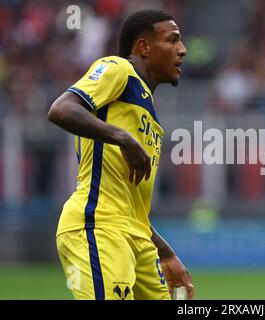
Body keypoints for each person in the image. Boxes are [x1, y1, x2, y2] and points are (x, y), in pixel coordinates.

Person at [47, 9, 193, 300]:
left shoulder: (150, 118)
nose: (183, 50)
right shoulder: (118, 69)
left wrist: (166, 253)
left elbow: (131, 204)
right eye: (173, 40)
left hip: (137, 239)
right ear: (144, 47)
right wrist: (122, 137)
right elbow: (61, 109)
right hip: (98, 226)